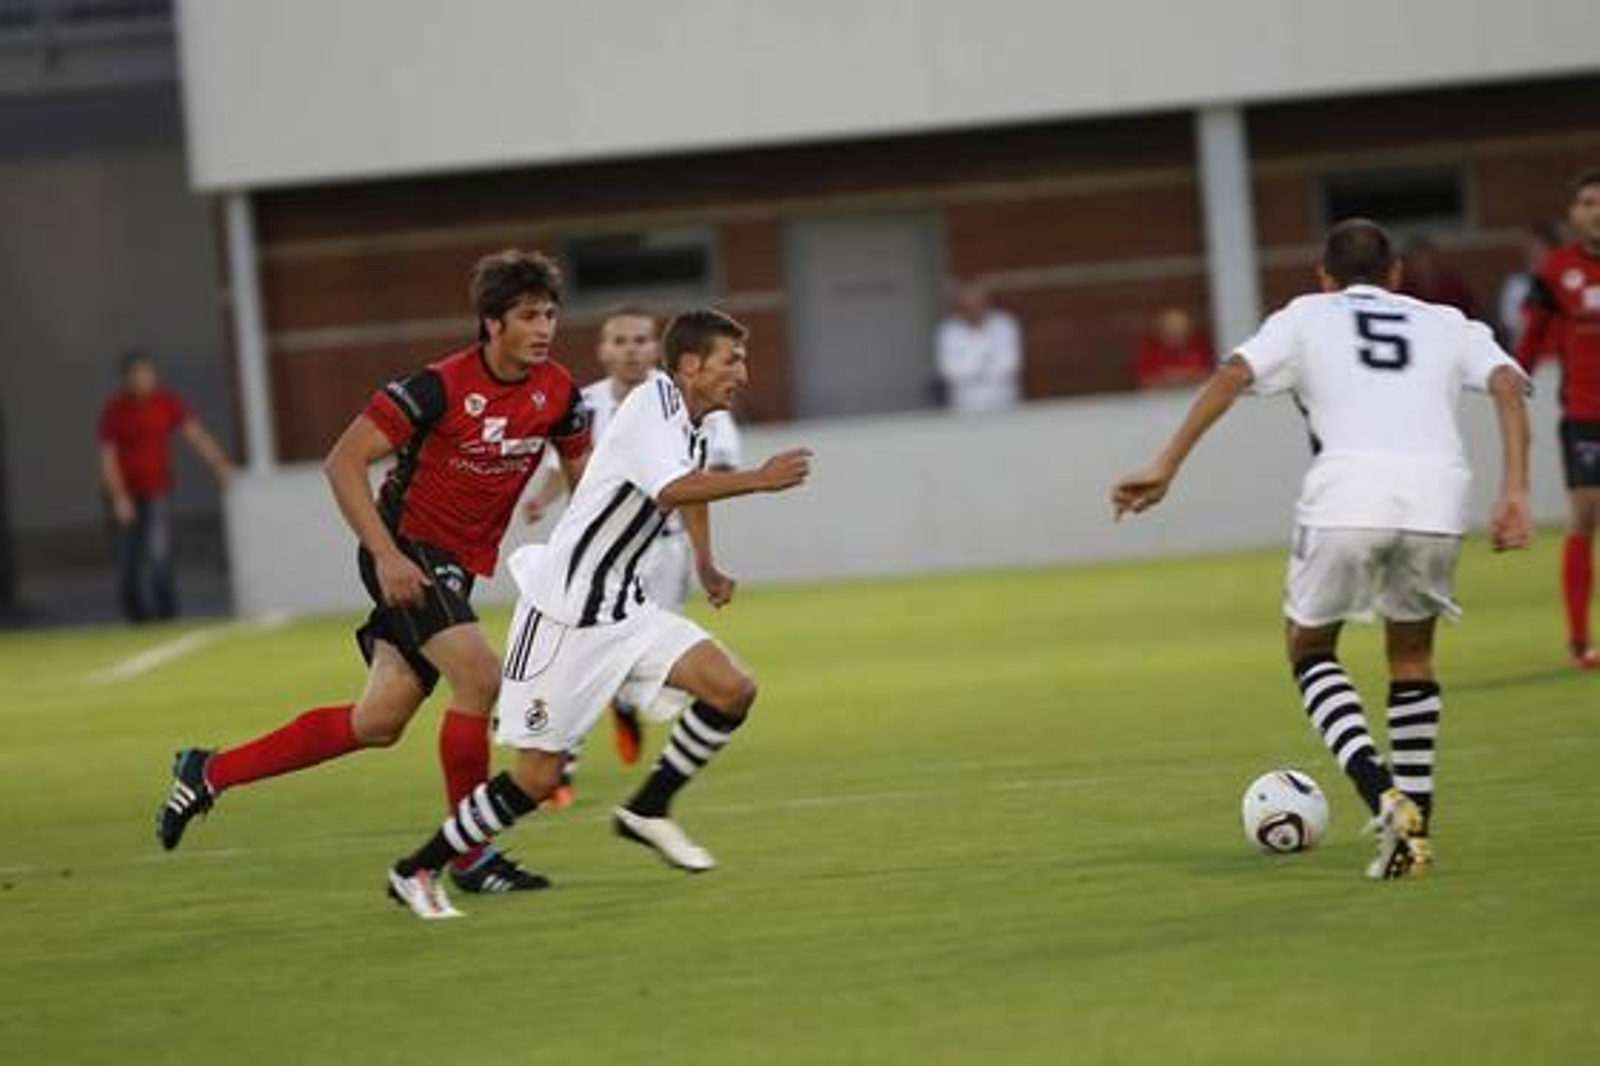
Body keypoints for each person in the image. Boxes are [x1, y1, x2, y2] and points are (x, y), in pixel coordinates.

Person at [156, 249, 593, 896]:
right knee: (479, 676)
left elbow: (585, 482)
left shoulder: (559, 392)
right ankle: (470, 856)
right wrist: (387, 555)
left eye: (550, 314)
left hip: (457, 568)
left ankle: (208, 770)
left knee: (379, 722)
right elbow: (343, 462)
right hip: (406, 551)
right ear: (491, 323)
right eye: (529, 316)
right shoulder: (437, 386)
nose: (544, 328)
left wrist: (587, 558)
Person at [1112, 219, 1533, 880]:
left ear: (1324, 276)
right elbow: (1509, 386)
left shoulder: (1306, 315)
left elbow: (1231, 373)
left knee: (1308, 647)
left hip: (1347, 493)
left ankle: (1380, 793)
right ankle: (1416, 825)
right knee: (1413, 655)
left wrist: (1165, 465)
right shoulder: (1446, 320)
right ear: (1395, 274)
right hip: (1438, 494)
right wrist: (1515, 490)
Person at [385, 308, 811, 919]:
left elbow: (683, 487)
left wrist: (706, 561)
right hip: (565, 618)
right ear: (690, 366)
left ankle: (648, 808)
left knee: (732, 689)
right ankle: (416, 868)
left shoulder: (689, 425)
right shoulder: (649, 404)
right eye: (731, 360)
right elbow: (670, 488)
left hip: (625, 610)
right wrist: (761, 479)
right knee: (536, 779)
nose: (742, 372)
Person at [522, 309, 745, 804]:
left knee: (640, 653)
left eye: (641, 339)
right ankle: (562, 765)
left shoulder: (695, 404)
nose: (631, 349)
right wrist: (543, 493)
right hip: (598, 556)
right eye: (619, 340)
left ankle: (619, 710)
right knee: (588, 653)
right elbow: (571, 458)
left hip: (661, 550)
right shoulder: (589, 403)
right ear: (603, 350)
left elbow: (703, 475)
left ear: (655, 347)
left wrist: (705, 559)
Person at [1515, 168, 1600, 669]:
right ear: (1573, 214)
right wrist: (1512, 381)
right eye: (1587, 202)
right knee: (1587, 510)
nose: (1595, 211)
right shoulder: (1555, 271)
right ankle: (1579, 642)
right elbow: (1530, 337)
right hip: (1585, 414)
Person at [97, 351, 232, 622]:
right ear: (127, 379)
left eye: (147, 374)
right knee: (128, 559)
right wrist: (119, 497)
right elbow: (107, 459)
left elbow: (194, 434)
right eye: (137, 375)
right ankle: (136, 617)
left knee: (159, 552)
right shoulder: (115, 411)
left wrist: (218, 463)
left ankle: (166, 615)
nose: (143, 380)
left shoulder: (165, 402)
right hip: (125, 495)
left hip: (156, 490)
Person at [934, 280, 1023, 413]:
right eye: (967, 303)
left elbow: (1010, 364)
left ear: (985, 302)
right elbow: (949, 370)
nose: (973, 307)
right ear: (960, 305)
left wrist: (970, 367)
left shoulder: (1004, 324)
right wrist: (986, 363)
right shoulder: (948, 330)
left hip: (1004, 401)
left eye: (977, 302)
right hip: (966, 405)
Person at [1497, 222, 1560, 348]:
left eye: (1539, 249)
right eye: (1529, 250)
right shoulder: (1516, 285)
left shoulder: (1565, 282)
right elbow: (1512, 322)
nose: (1534, 255)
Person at [1398, 235, 1482, 319]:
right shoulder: (1403, 288)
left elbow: (1471, 312)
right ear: (1409, 262)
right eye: (1417, 258)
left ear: (1435, 258)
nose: (1423, 264)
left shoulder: (1452, 284)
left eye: (1426, 257)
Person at [1132, 307, 1215, 389]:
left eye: (1180, 326)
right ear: (1160, 328)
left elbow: (1211, 376)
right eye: (1170, 326)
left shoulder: (1200, 346)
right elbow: (1145, 382)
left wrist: (1175, 377)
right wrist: (1185, 377)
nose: (1175, 330)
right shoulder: (1150, 350)